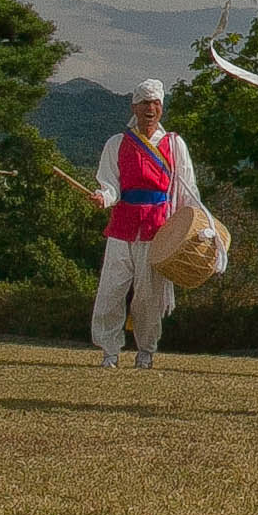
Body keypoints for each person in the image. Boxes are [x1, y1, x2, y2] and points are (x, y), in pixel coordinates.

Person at [91, 79, 204, 372]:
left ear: (161, 107)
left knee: (148, 295)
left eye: (155, 103)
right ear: (134, 107)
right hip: (122, 226)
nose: (150, 109)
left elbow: (187, 189)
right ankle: (109, 351)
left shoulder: (174, 144)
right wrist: (104, 197)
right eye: (144, 103)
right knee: (111, 291)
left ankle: (146, 351)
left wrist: (191, 228)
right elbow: (110, 184)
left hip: (158, 228)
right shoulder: (117, 143)